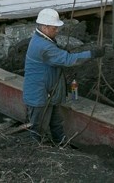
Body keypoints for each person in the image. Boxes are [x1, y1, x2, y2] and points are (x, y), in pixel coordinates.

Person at [22, 8, 104, 145]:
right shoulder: (43, 46)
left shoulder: (42, 39)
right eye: (54, 28)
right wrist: (91, 54)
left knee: (56, 123)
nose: (57, 31)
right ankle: (36, 151)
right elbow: (68, 60)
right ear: (44, 27)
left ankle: (61, 145)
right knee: (38, 128)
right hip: (39, 95)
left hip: (48, 92)